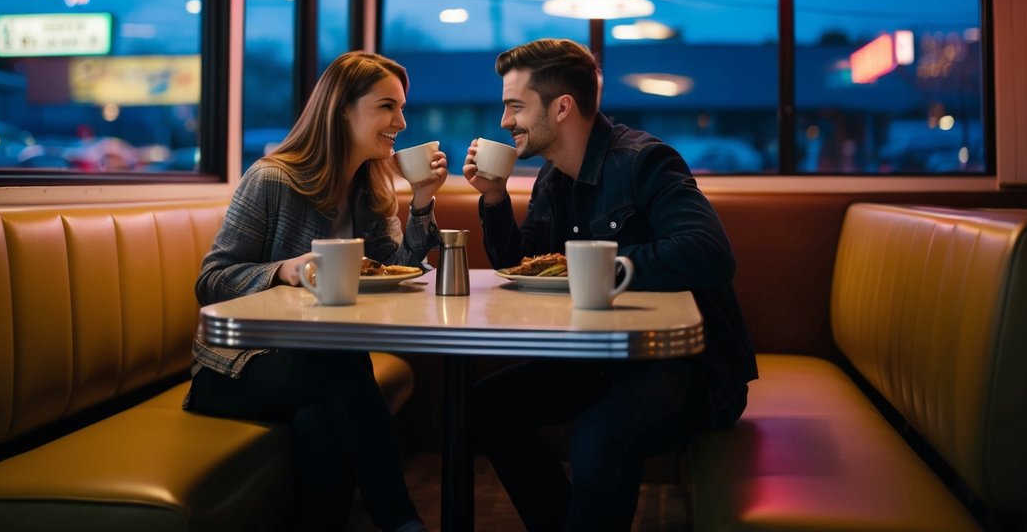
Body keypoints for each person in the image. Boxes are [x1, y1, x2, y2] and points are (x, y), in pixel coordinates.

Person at [463, 39, 757, 532]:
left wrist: (600, 266)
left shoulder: (644, 160)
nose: (504, 121)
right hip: (603, 358)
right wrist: (494, 197)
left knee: (598, 437)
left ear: (562, 107)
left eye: (515, 106)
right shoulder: (552, 178)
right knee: (484, 407)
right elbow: (523, 268)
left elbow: (711, 253)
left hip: (688, 366)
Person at [188, 51, 445, 532]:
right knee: (338, 361)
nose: (401, 122)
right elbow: (211, 282)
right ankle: (400, 520)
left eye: (402, 108)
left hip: (318, 367)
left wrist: (422, 199)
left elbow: (401, 273)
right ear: (342, 110)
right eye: (387, 107)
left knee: (318, 424)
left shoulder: (370, 189)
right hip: (234, 369)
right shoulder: (271, 179)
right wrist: (283, 270)